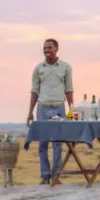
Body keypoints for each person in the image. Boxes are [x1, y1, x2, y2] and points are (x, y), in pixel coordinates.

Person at [26, 38, 74, 184]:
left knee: (58, 144)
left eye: (49, 48)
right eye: (45, 48)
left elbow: (69, 89)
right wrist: (30, 112)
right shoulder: (38, 69)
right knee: (42, 143)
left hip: (59, 107)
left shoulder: (65, 68)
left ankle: (56, 175)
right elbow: (34, 91)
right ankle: (45, 175)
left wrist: (72, 109)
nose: (47, 50)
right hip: (42, 107)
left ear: (56, 49)